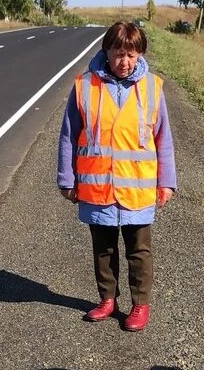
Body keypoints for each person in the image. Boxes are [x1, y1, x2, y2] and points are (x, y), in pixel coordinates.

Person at [57, 21, 177, 332]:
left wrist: (166, 182)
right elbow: (69, 135)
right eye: (118, 53)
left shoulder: (152, 88)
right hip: (98, 188)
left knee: (139, 250)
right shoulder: (84, 86)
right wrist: (67, 179)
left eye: (131, 55)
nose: (124, 62)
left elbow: (163, 138)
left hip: (138, 188)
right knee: (103, 248)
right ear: (106, 52)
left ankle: (140, 305)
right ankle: (107, 299)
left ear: (140, 55)